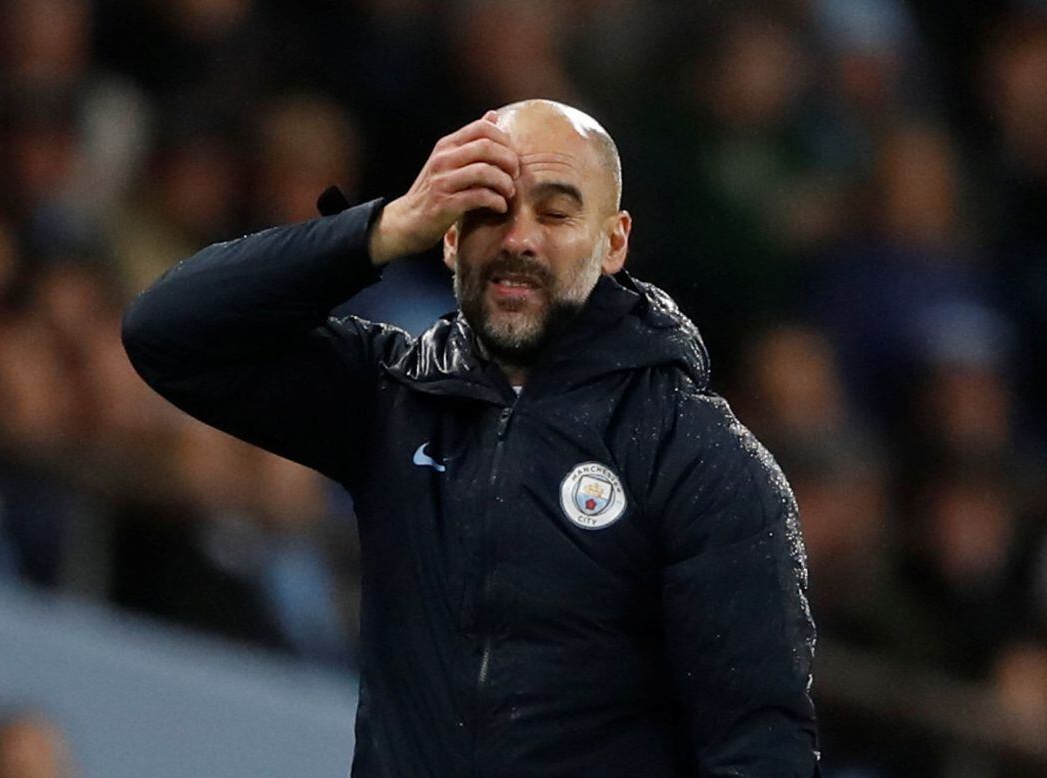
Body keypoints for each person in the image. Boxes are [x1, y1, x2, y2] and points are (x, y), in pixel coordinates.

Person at [122, 99, 820, 777]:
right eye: (489, 209)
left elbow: (761, 745)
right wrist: (384, 228)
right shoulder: (395, 395)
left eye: (556, 211)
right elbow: (167, 333)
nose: (518, 238)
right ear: (450, 235)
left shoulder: (697, 455)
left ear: (614, 242)